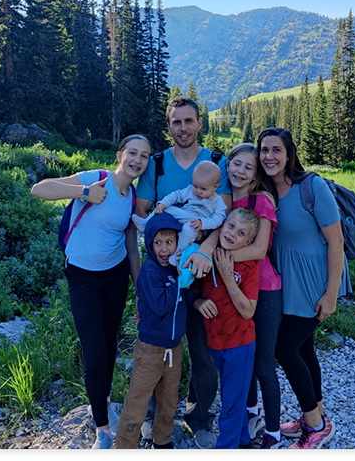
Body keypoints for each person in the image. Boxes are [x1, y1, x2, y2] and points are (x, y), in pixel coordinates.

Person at [30, 134, 151, 450]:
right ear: (120, 154)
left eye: (145, 156)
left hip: (115, 274)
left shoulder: (132, 196)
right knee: (94, 351)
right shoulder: (96, 178)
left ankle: (104, 398)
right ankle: (103, 430)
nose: (138, 160)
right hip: (82, 277)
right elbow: (39, 188)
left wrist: (139, 290)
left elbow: (130, 245)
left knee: (110, 343)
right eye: (133, 153)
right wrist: (83, 192)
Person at [135, 96, 232, 449]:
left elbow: (226, 221)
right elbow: (143, 220)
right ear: (169, 125)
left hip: (202, 277)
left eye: (189, 121)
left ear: (199, 123)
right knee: (155, 344)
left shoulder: (216, 164)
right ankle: (152, 415)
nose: (183, 128)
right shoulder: (157, 165)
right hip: (162, 277)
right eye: (176, 122)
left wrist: (205, 249)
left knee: (203, 349)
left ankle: (199, 416)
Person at [256, 127, 352, 450]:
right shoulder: (266, 191)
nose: (269, 156)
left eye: (276, 150)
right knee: (304, 349)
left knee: (283, 349)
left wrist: (330, 294)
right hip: (289, 284)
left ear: (289, 154)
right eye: (264, 150)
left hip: (315, 284)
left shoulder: (311, 187)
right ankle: (316, 415)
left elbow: (335, 241)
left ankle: (316, 426)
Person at [224, 143, 286, 449]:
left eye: (249, 168)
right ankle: (250, 415)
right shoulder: (224, 197)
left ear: (256, 173)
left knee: (262, 362)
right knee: (242, 356)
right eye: (237, 164)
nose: (240, 171)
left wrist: (221, 258)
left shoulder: (261, 200)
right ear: (228, 163)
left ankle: (273, 432)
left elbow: (261, 249)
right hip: (232, 285)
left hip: (264, 289)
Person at [115, 212, 192, 450]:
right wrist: (181, 280)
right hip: (150, 349)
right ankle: (125, 444)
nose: (164, 249)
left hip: (174, 348)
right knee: (138, 400)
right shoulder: (150, 272)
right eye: (157, 243)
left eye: (169, 242)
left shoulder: (176, 269)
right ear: (149, 244)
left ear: (178, 243)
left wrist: (189, 288)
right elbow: (160, 305)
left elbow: (186, 299)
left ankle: (163, 440)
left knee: (169, 400)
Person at [193, 207, 261, 449]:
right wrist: (198, 301)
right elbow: (193, 290)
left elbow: (248, 311)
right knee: (233, 397)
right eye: (230, 226)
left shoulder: (249, 267)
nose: (232, 233)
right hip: (214, 341)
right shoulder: (207, 258)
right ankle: (243, 439)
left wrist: (228, 276)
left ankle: (227, 445)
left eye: (241, 232)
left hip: (240, 344)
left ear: (248, 242)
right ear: (221, 226)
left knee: (231, 402)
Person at [133, 160, 226, 261]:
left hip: (198, 222)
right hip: (184, 214)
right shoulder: (191, 191)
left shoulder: (217, 202)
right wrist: (163, 203)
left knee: (188, 230)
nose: (198, 191)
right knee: (167, 208)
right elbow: (176, 195)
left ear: (215, 187)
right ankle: (145, 223)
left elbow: (219, 219)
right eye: (195, 186)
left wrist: (203, 223)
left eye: (203, 189)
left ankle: (176, 257)